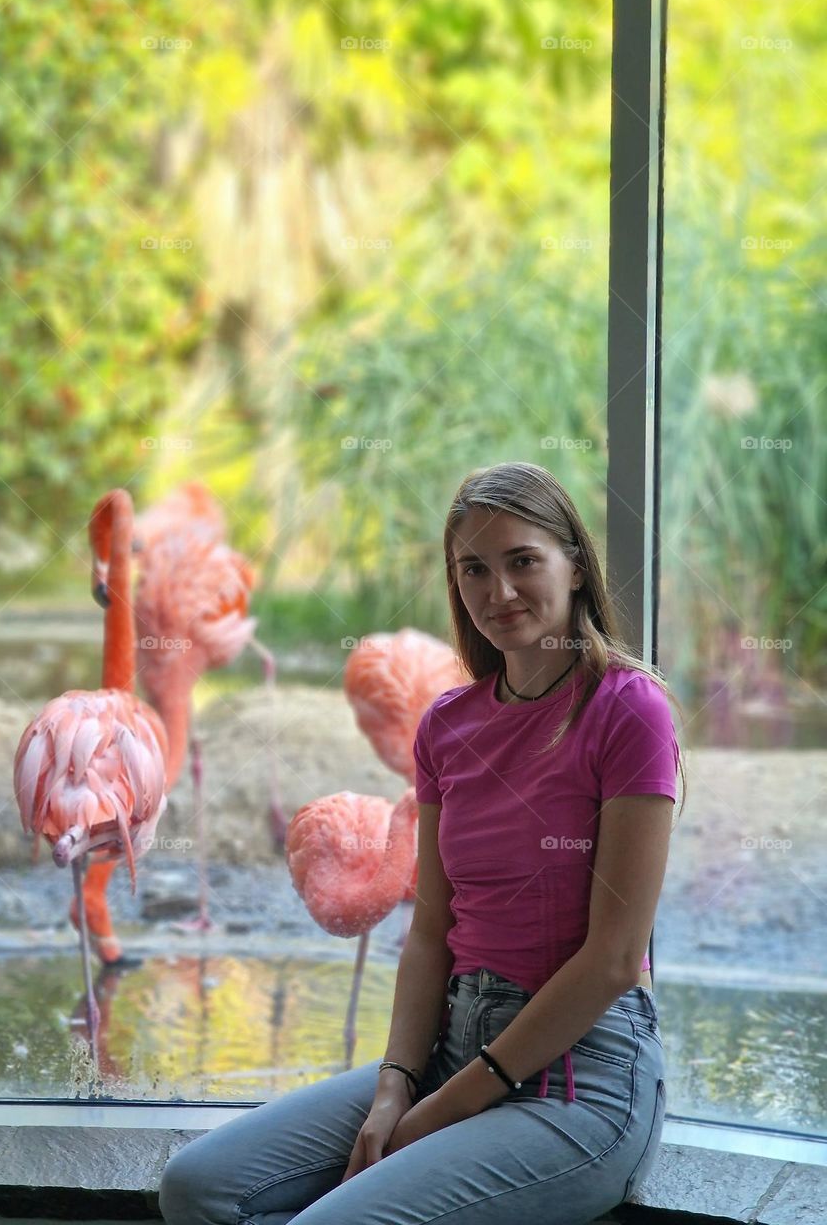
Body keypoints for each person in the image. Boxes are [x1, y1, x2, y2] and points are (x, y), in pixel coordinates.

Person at [159, 461, 687, 1225]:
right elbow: (431, 931)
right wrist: (394, 1085)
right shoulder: (447, 724)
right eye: (474, 568)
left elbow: (611, 961)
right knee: (198, 1187)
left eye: (522, 562)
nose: (498, 592)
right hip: (450, 1041)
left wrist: (438, 1113)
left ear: (575, 565)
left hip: (583, 1077)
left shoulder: (627, 709)